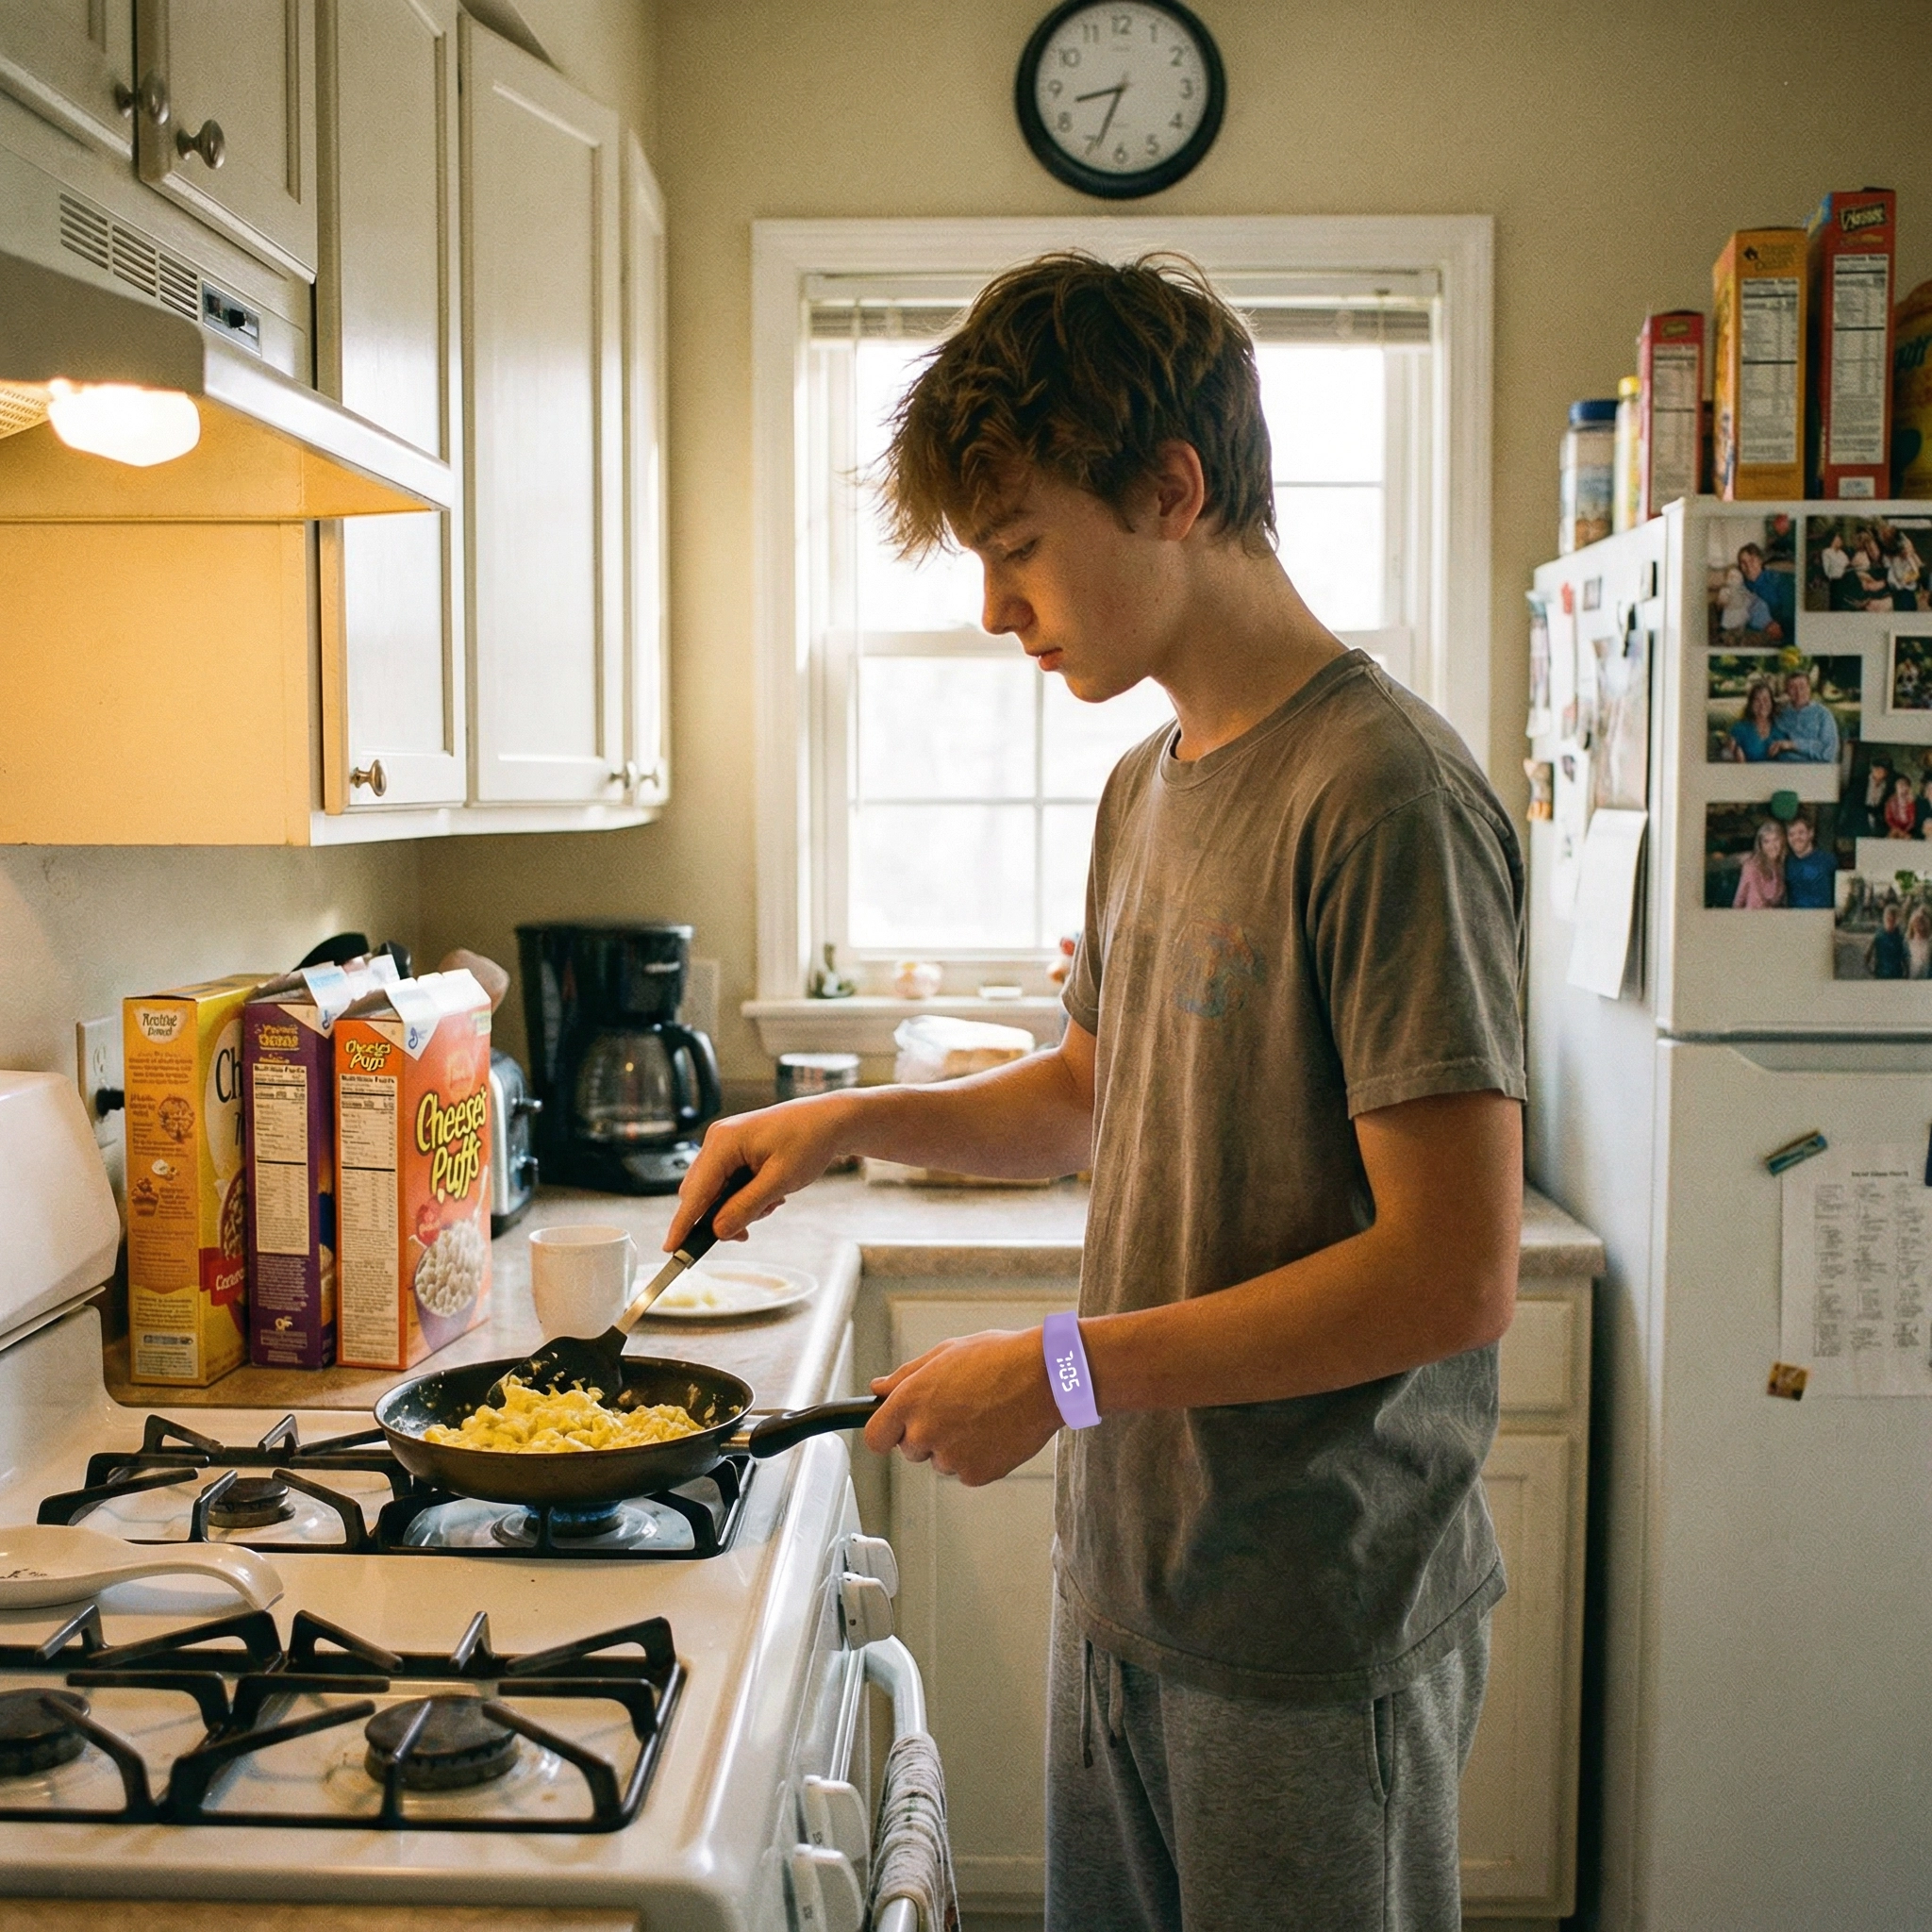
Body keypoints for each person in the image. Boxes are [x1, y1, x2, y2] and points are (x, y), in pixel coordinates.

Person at [665, 253, 1525, 1932]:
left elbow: (1450, 1271)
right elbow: (1086, 1090)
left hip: (1305, 1622)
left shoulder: (1382, 793)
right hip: (1132, 1571)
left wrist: (1058, 1370)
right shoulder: (1147, 780)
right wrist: (843, 1119)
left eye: (1015, 549)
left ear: (1170, 488)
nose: (995, 610)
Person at [1771, 669, 1839, 764]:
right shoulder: (1782, 714)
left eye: (1802, 687)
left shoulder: (1823, 715)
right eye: (1792, 688)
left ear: (1809, 688)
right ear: (1787, 691)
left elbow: (1828, 752)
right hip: (1784, 769)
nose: (1798, 692)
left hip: (1813, 770)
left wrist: (1794, 745)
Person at [1738, 541, 1793, 639]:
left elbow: (1789, 609)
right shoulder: (1741, 587)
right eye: (1743, 562)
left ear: (1760, 561)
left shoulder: (1777, 579)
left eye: (1752, 560)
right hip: (1757, 633)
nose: (1748, 566)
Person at [1782, 812, 1835, 909]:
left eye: (1801, 833)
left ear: (1811, 833)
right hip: (1794, 920)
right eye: (1791, 834)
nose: (1796, 838)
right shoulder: (1786, 862)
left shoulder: (1828, 860)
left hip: (1822, 920)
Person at [1733, 818, 1787, 908]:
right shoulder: (1752, 866)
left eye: (1776, 839)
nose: (1772, 846)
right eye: (1766, 841)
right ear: (1760, 845)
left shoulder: (1780, 864)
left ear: (1782, 841)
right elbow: (1739, 900)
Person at [1723, 677, 1778, 761]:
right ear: (1751, 704)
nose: (1762, 704)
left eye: (1766, 699)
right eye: (1757, 700)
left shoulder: (1780, 726)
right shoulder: (1740, 728)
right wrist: (1733, 757)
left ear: (1772, 703)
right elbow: (1725, 755)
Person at [1868, 902, 1908, 978]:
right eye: (1889, 917)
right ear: (1884, 917)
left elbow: (1905, 959)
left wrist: (1906, 975)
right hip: (1881, 976)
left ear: (1898, 919)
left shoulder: (1901, 938)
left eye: (1894, 917)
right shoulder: (1878, 936)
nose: (1891, 919)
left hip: (1897, 976)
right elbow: (1867, 957)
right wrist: (1871, 972)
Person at [1885, 772, 1920, 838]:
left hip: (1910, 831)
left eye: (1904, 785)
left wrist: (1905, 831)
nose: (1901, 787)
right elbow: (1889, 818)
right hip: (1895, 830)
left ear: (1908, 787)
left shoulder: (1913, 801)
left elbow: (1913, 820)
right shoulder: (1891, 801)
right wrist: (1898, 830)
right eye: (1899, 784)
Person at [1907, 906, 1932, 980]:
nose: (1919, 924)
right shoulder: (1906, 943)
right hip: (1910, 982)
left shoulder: (1930, 942)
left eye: (1922, 921)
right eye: (1917, 921)